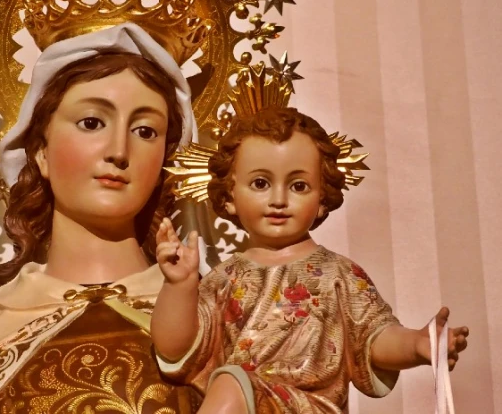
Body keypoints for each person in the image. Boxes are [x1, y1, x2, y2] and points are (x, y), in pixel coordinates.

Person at [0, 23, 202, 414]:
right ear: (41, 152)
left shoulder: (208, 318)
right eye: (92, 123)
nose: (118, 150)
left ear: (164, 162)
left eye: (145, 131)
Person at [151, 106, 470, 413]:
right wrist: (179, 285)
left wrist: (418, 344)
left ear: (322, 198)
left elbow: (374, 337)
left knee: (231, 385)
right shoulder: (225, 278)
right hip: (242, 403)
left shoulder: (338, 275)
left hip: (310, 408)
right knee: (231, 384)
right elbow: (175, 349)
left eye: (298, 186)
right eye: (261, 183)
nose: (278, 200)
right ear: (230, 196)